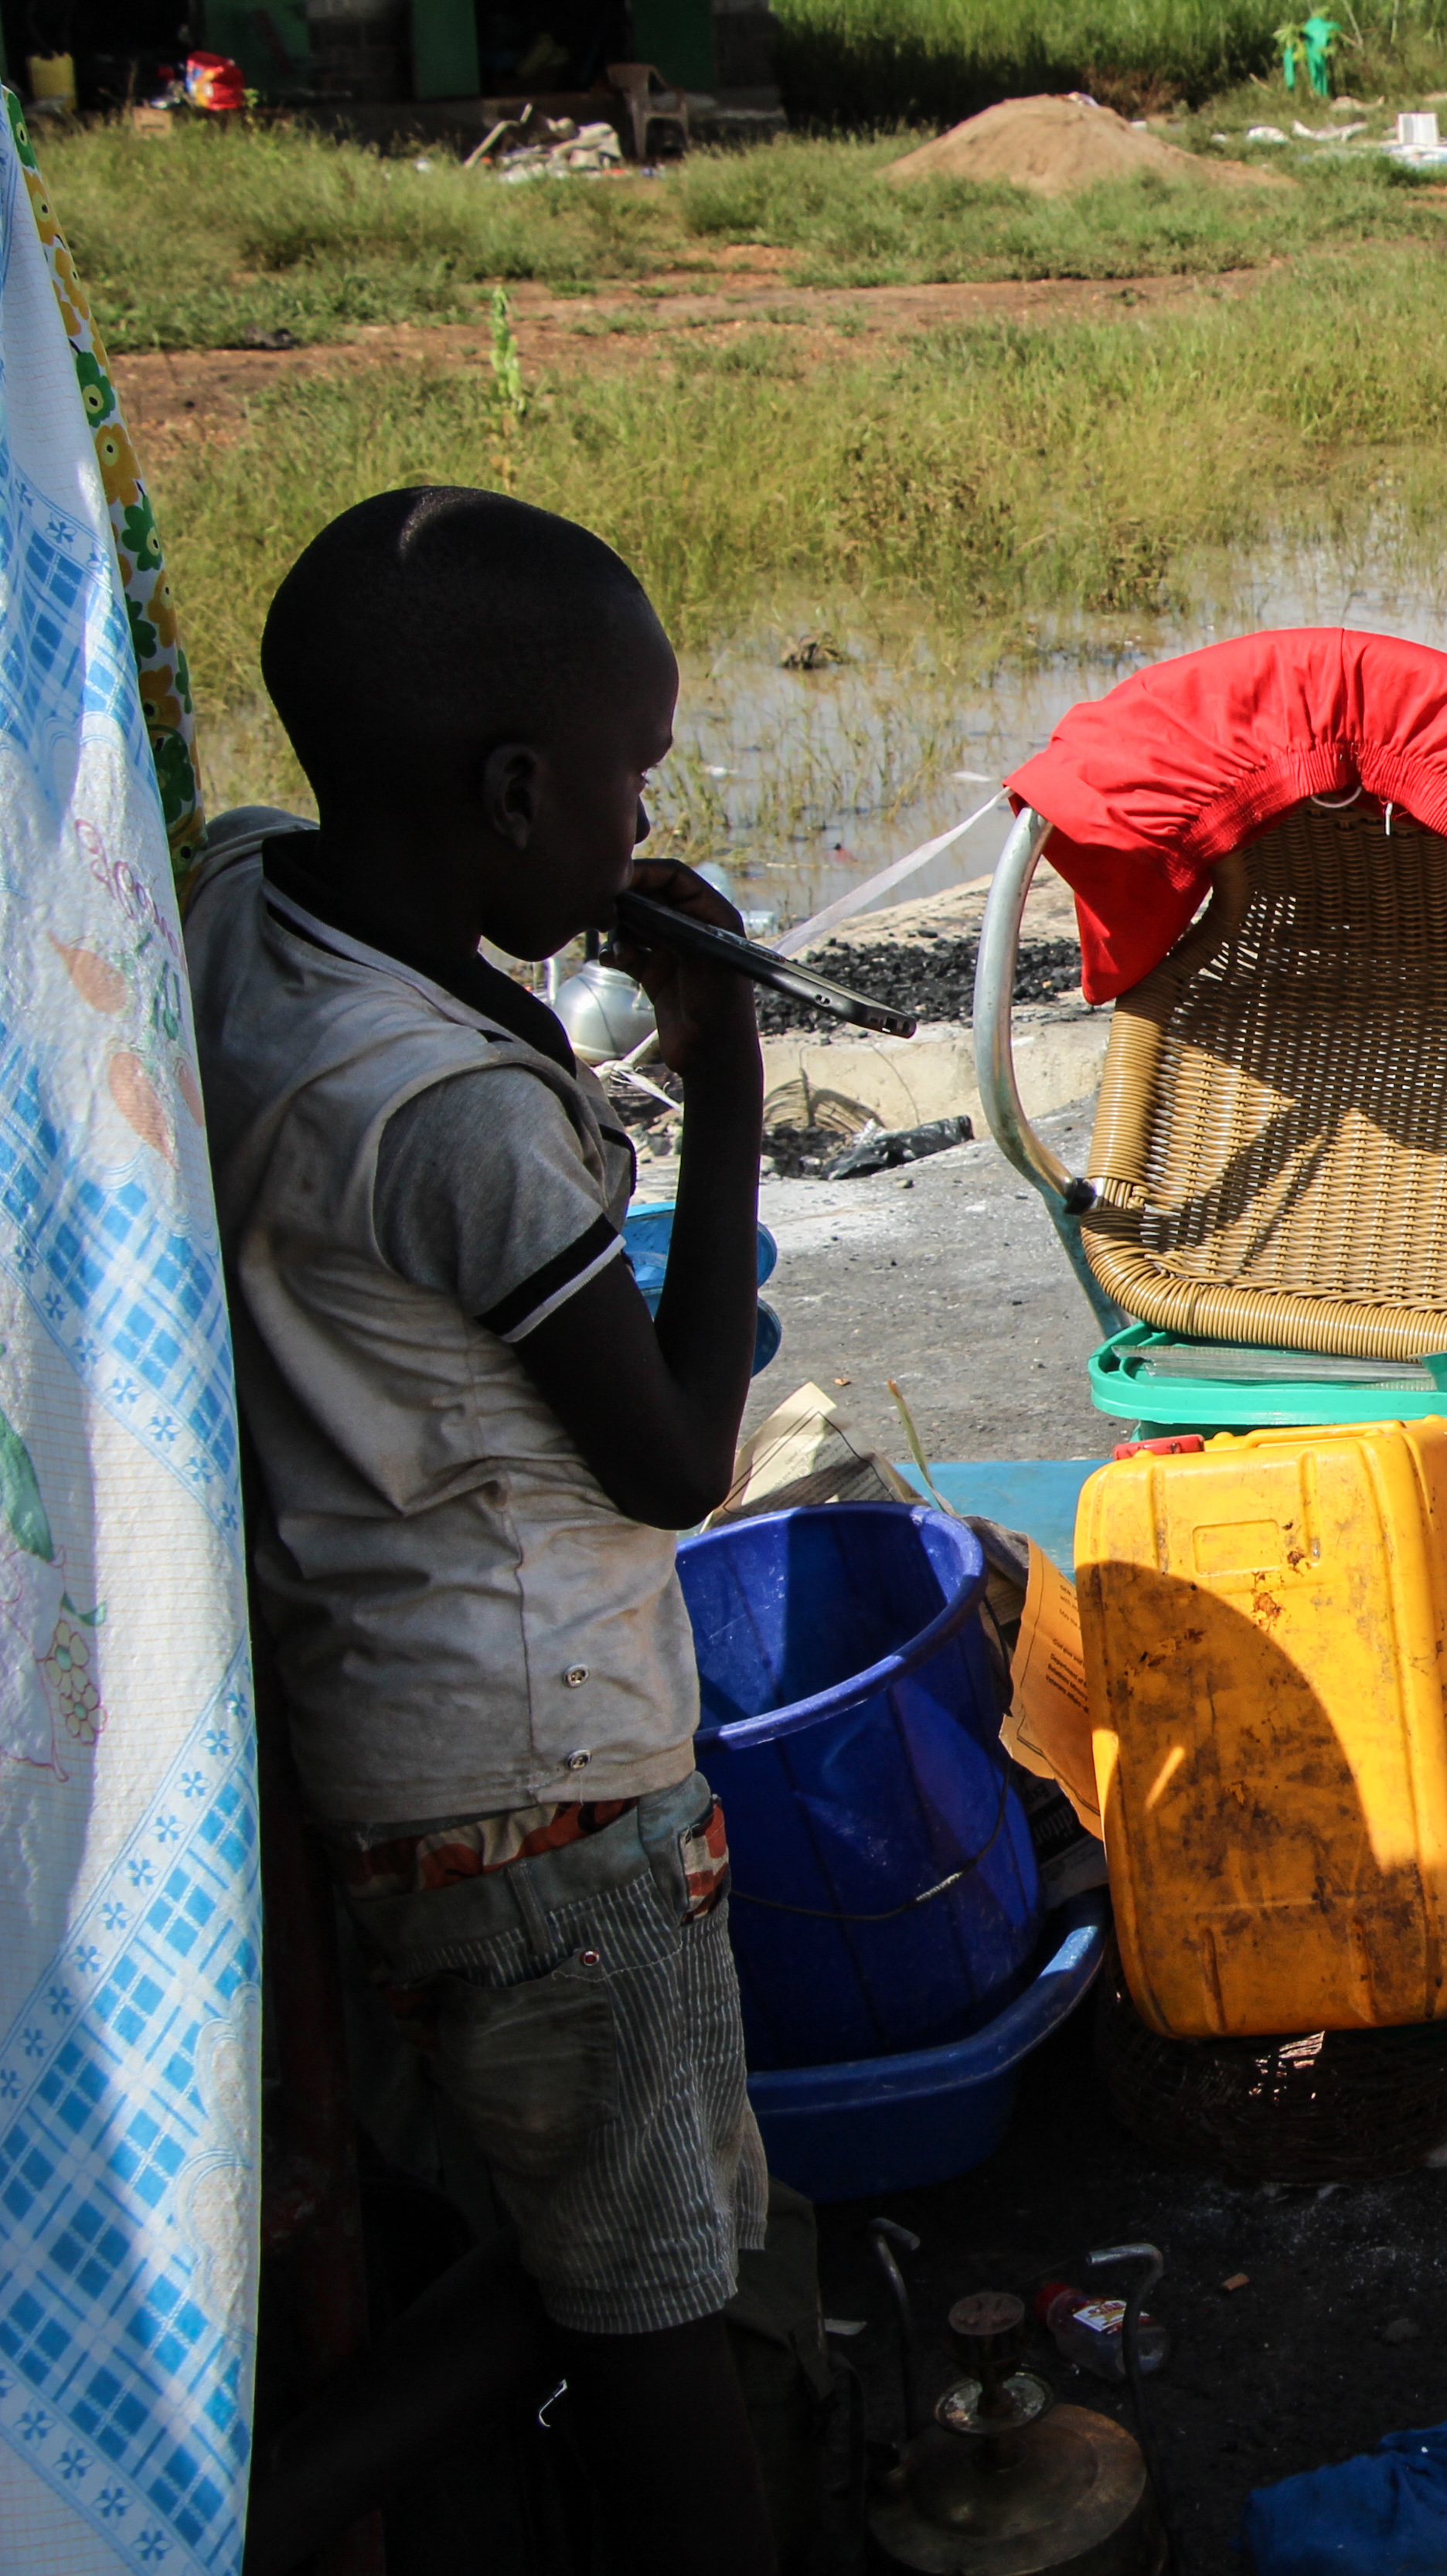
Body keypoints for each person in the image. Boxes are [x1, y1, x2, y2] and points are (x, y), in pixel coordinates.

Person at [187, 487, 780, 2574]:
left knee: (546, 2224)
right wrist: (724, 1085)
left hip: (381, 1733)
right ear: (514, 786)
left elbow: (448, 989)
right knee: (654, 2302)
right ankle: (224, 2526)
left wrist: (570, 966)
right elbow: (672, 1458)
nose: (644, 822)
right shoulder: (453, 1120)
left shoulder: (252, 897)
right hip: (549, 1789)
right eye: (630, 778)